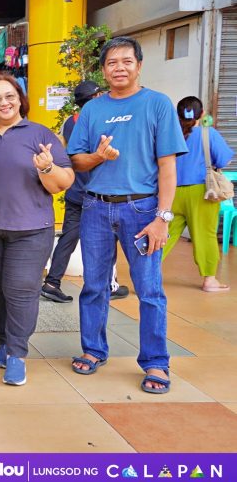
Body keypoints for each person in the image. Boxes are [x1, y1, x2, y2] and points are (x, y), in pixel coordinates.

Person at [67, 36, 187, 395]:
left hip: (143, 209)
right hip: (95, 207)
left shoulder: (157, 105)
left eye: (126, 61)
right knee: (93, 286)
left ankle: (155, 362)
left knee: (149, 290)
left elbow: (168, 168)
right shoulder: (92, 110)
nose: (119, 68)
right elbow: (77, 161)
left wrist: (162, 218)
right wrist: (99, 157)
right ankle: (93, 349)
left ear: (138, 65)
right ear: (103, 70)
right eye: (112, 63)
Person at [0, 74, 74, 386]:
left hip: (31, 229)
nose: (4, 103)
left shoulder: (40, 134)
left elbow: (63, 184)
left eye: (10, 96)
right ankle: (5, 340)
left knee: (20, 290)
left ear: (20, 99)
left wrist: (46, 166)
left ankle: (17, 353)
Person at [42, 81, 130, 303]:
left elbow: (64, 151)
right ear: (93, 98)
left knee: (69, 237)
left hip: (74, 190)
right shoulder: (99, 121)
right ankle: (109, 284)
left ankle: (52, 282)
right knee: (108, 237)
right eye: (99, 94)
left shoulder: (68, 123)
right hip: (96, 192)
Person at [162, 96, 233, 292]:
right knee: (205, 236)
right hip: (202, 192)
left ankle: (146, 275)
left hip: (170, 191)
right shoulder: (207, 133)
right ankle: (209, 280)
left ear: (177, 115)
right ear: (202, 114)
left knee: (163, 234)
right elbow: (224, 160)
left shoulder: (169, 133)